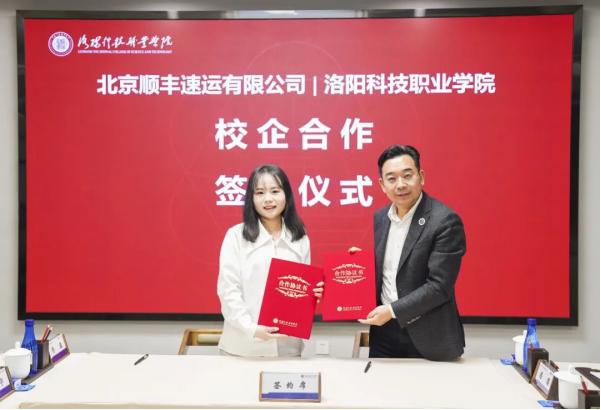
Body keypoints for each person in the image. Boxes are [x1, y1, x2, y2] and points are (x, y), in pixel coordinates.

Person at [351, 145, 467, 361]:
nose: (401, 185)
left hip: (429, 336)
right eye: (392, 178)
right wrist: (359, 265)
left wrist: (392, 310)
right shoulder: (381, 217)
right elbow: (392, 270)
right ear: (382, 185)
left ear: (421, 177)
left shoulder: (444, 220)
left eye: (407, 175)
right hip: (383, 333)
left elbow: (439, 287)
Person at [217, 164, 324, 357]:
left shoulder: (300, 238)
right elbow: (228, 290)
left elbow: (300, 289)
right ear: (251, 198)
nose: (268, 199)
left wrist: (313, 293)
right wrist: (251, 328)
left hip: (287, 348)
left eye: (275, 191)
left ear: (287, 195)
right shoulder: (235, 236)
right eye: (260, 192)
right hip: (243, 348)